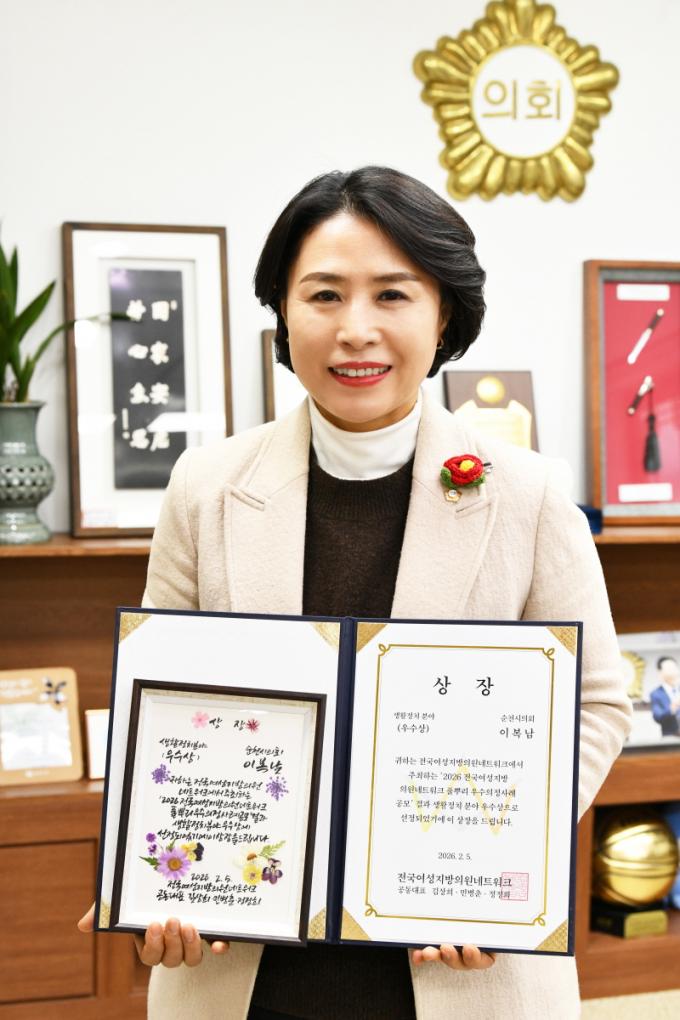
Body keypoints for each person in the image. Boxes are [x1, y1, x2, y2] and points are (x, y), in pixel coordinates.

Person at [79, 166, 632, 1019]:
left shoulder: (527, 493)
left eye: (393, 295)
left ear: (443, 314)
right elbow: (165, 704)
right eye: (325, 295)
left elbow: (596, 703)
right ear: (283, 311)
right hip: (241, 968)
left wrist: (505, 864)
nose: (356, 330)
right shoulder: (206, 486)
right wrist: (149, 881)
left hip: (459, 969)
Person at [649, 655, 680, 736]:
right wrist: (671, 709)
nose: (672, 672)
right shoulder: (656, 694)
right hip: (670, 737)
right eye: (669, 669)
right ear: (660, 673)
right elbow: (657, 717)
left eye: (674, 668)